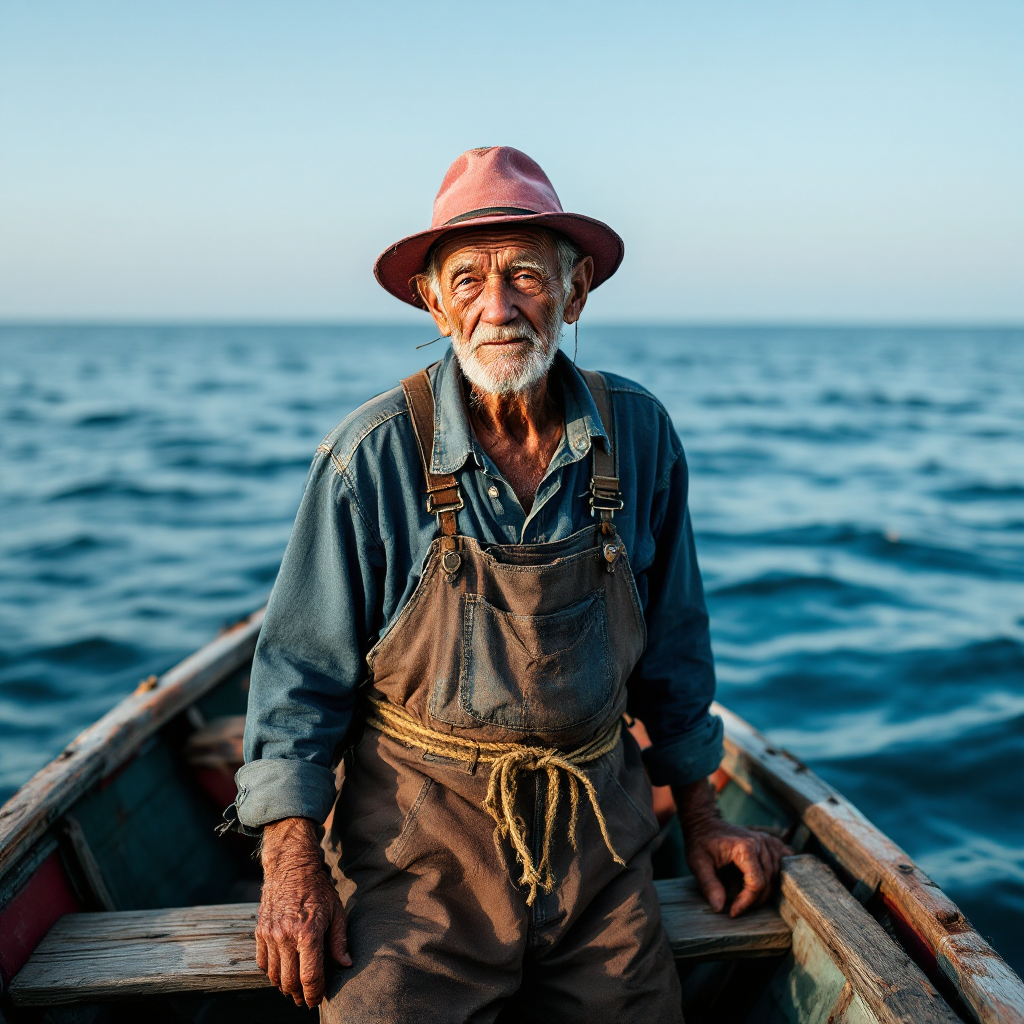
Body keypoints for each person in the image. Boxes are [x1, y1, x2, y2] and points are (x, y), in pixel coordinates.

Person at [232, 146, 789, 1022]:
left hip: (601, 851)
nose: (499, 307)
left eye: (526, 275)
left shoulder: (637, 433)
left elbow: (675, 651)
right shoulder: (370, 456)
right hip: (419, 859)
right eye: (468, 280)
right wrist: (292, 867)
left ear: (576, 293)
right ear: (433, 300)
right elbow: (299, 684)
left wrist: (705, 821)